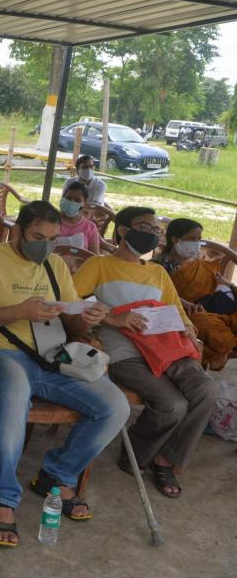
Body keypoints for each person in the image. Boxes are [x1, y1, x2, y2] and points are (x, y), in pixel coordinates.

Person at [0, 201, 129, 548]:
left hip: (54, 356)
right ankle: (2, 497)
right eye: (38, 236)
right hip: (3, 354)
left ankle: (57, 474)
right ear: (17, 231)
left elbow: (71, 318)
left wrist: (87, 318)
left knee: (115, 404)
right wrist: (20, 311)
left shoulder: (54, 265)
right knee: (14, 398)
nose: (46, 245)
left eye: (53, 238)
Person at [73, 207, 219, 498]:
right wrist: (111, 316)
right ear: (124, 230)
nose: (152, 234)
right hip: (124, 347)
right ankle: (136, 455)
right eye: (144, 227)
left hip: (165, 343)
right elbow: (71, 302)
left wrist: (188, 327)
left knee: (207, 389)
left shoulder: (157, 272)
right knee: (172, 405)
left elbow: (176, 308)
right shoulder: (99, 265)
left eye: (156, 230)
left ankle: (167, 458)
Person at [153, 218, 237, 369]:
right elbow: (157, 291)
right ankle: (222, 351)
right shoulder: (159, 265)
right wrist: (185, 303)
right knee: (205, 326)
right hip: (184, 312)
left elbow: (219, 283)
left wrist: (228, 285)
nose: (197, 243)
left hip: (213, 307)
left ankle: (222, 350)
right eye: (192, 239)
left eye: (199, 239)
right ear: (175, 239)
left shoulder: (200, 264)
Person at [57, 182, 102, 253]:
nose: (72, 202)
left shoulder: (90, 227)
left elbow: (95, 256)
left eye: (77, 200)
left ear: (84, 203)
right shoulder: (51, 221)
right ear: (63, 197)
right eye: (68, 198)